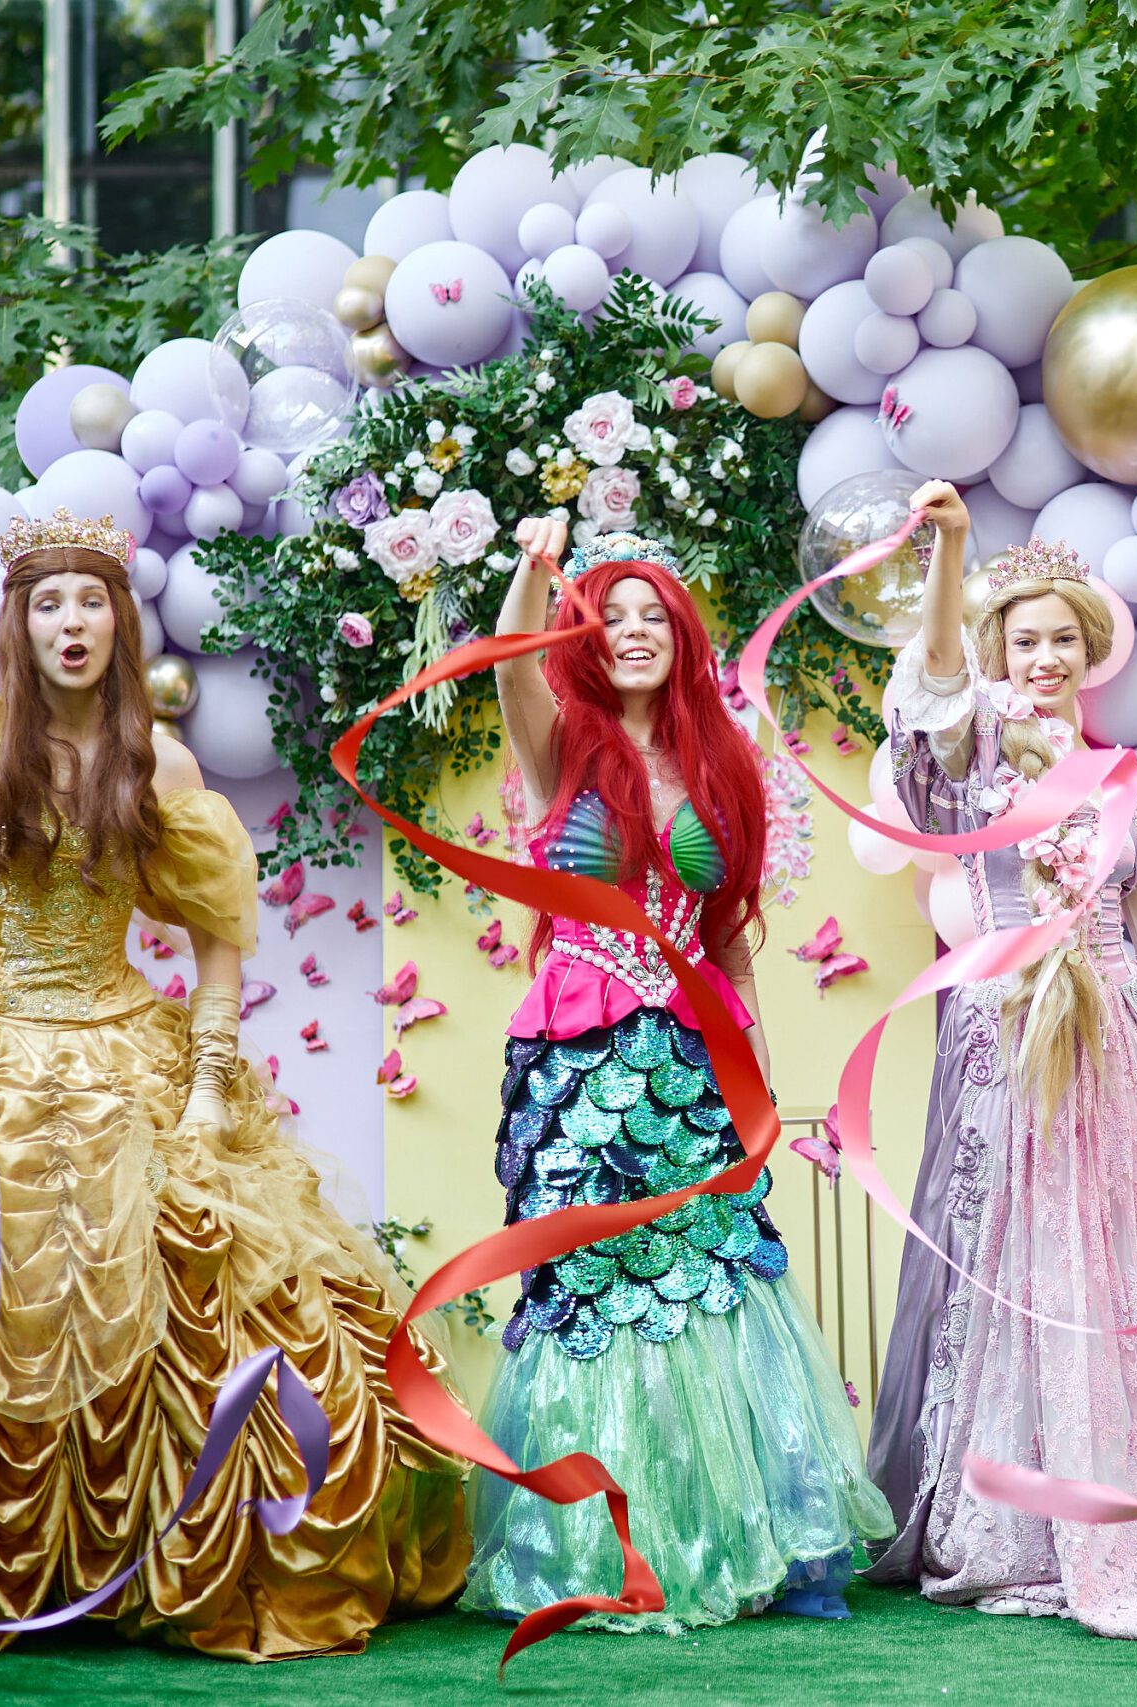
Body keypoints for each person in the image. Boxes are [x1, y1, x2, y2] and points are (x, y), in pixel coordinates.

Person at [0, 509, 467, 1665]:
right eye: (49, 603)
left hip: (126, 1052)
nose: (72, 622)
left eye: (92, 600)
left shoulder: (158, 763)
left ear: (121, 620)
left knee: (195, 1293)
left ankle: (132, 1564)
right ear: (19, 623)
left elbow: (218, 932)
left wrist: (212, 1079)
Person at [864, 482, 1137, 1643]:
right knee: (1024, 1252)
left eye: (1064, 638)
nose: (1047, 657)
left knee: (1127, 1259)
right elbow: (938, 682)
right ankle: (1024, 1514)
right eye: (1027, 640)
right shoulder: (970, 765)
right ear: (999, 650)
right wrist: (956, 550)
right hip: (1013, 1034)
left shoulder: (1128, 783)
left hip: (1116, 1032)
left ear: (1088, 653)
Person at [461, 523, 888, 1634]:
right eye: (616, 615)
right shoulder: (560, 745)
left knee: (717, 1275)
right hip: (581, 1059)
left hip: (693, 1059)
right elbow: (508, 661)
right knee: (593, 1290)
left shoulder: (717, 763)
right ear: (587, 639)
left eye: (657, 615)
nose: (638, 632)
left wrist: (752, 1066)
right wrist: (529, 569)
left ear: (684, 639)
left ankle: (761, 1535)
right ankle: (599, 1548)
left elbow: (729, 930)